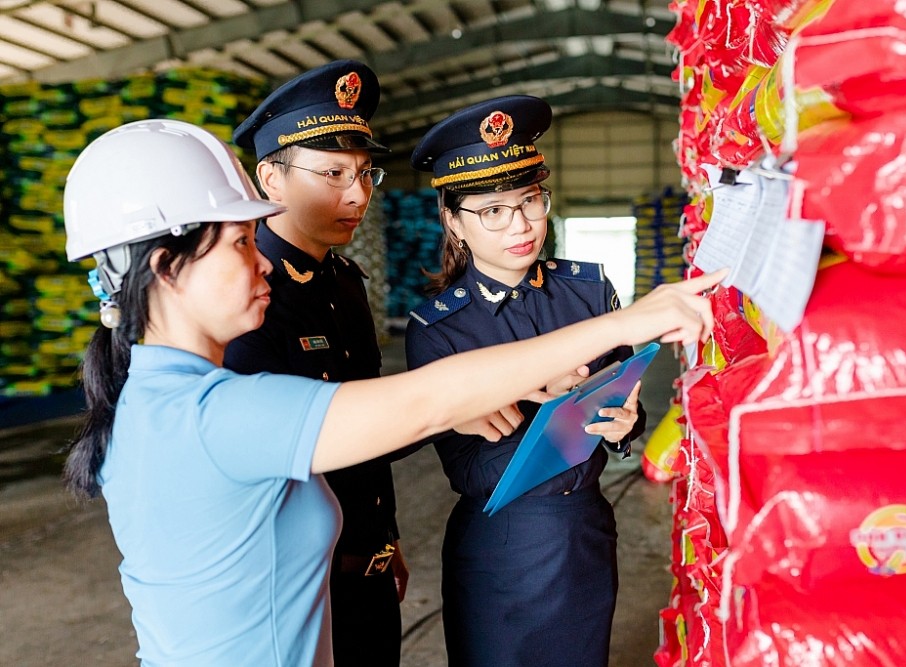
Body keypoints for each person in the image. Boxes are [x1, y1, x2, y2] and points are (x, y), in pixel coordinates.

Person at [61, 117, 722, 667]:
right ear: (166, 268)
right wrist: (631, 321)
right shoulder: (215, 415)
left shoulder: (157, 399)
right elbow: (424, 401)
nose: (261, 257)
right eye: (239, 241)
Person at [405, 95, 649, 667]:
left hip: (586, 531)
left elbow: (624, 403)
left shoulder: (588, 292)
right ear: (453, 220)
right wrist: (528, 400)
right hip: (503, 544)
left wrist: (624, 426)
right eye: (492, 211)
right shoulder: (440, 327)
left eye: (530, 201)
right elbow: (467, 467)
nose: (519, 224)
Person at [224, 59, 408, 667]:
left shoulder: (344, 280)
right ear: (270, 178)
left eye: (363, 173)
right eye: (332, 173)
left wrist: (386, 539)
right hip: (301, 590)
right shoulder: (251, 296)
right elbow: (307, 440)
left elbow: (365, 437)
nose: (357, 194)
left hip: (369, 572)